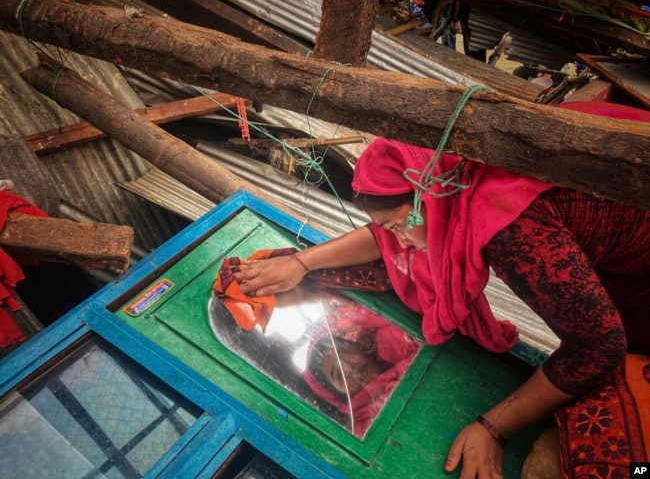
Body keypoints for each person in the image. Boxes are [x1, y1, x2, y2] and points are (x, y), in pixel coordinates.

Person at [234, 101, 650, 477]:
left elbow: (599, 348)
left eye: (399, 226)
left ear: (427, 199)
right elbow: (382, 240)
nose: (401, 244)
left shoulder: (511, 232)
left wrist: (494, 427)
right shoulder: (463, 174)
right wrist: (303, 264)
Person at [304, 303, 420, 437]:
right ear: (340, 396)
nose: (349, 368)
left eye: (343, 352)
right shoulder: (367, 430)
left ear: (354, 344)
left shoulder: (392, 337)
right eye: (339, 376)